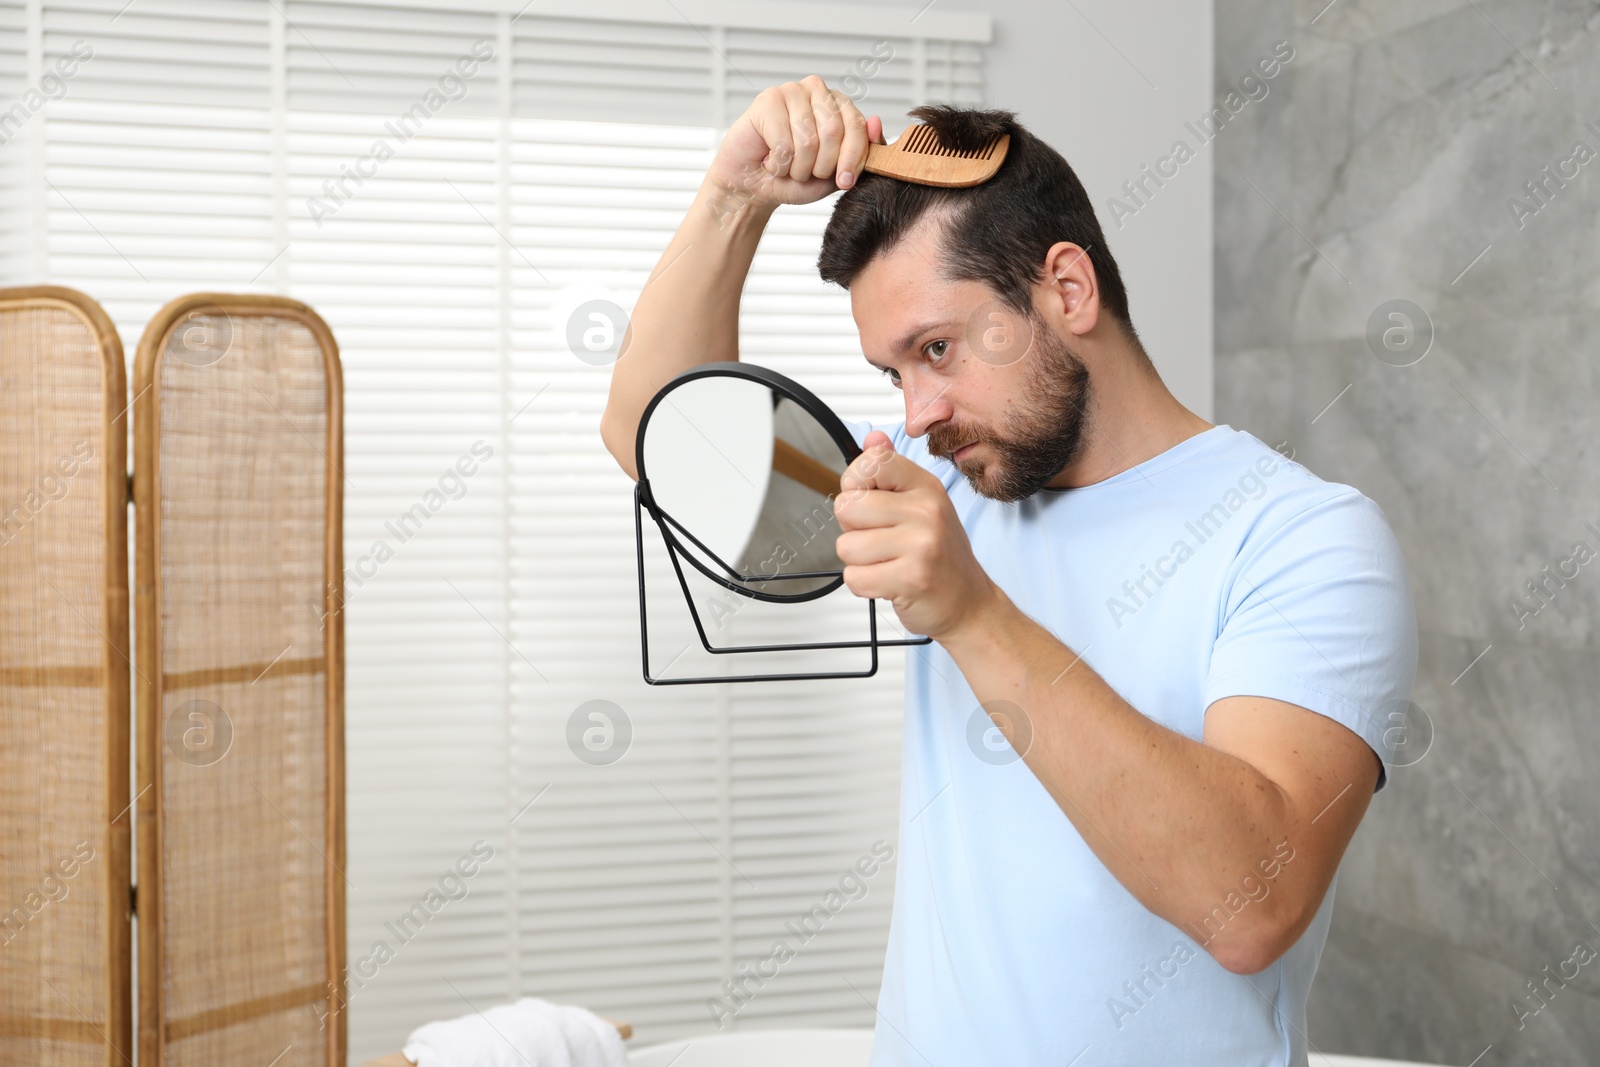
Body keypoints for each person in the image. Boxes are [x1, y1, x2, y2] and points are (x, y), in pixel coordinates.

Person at [601, 76, 1418, 1067]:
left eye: (936, 348)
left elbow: (1249, 904)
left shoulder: (1300, 535)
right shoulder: (954, 495)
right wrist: (732, 199)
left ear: (1065, 289)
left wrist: (970, 611)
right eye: (893, 372)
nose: (916, 412)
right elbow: (658, 438)